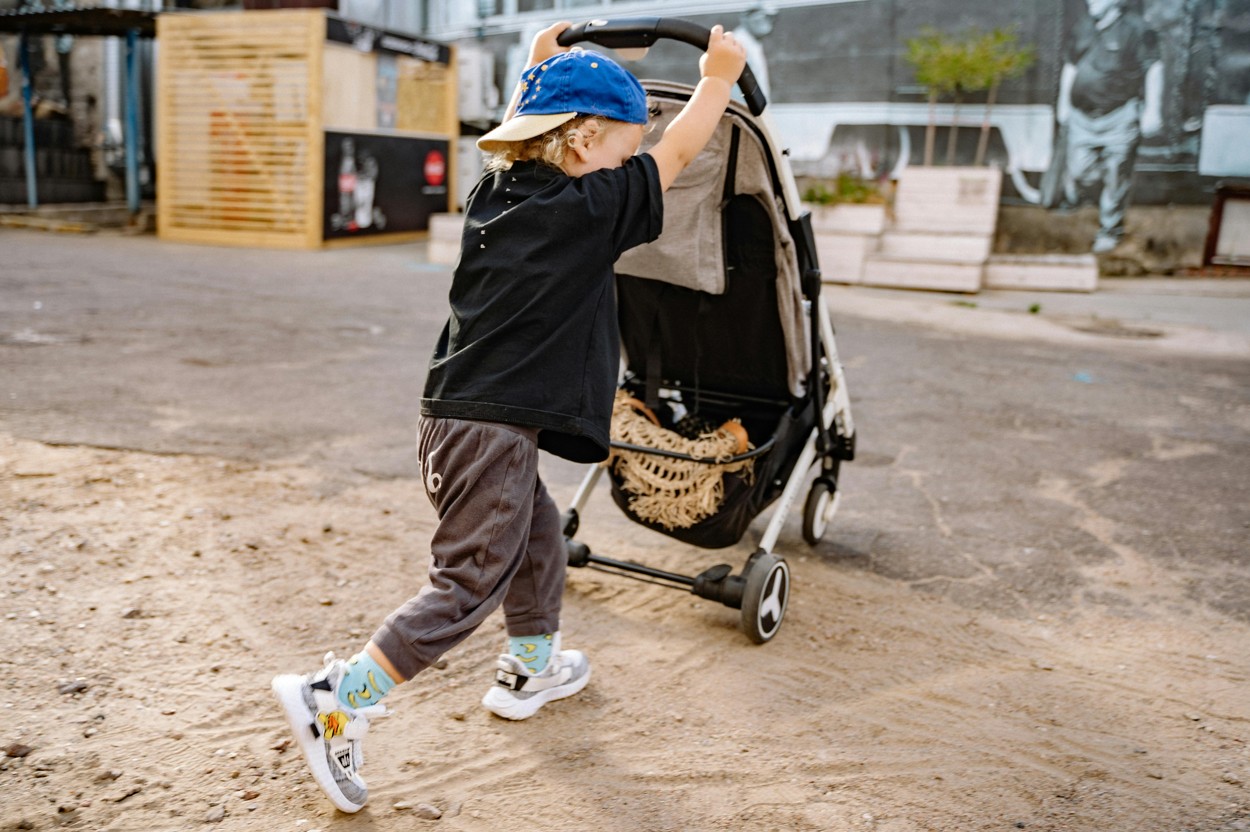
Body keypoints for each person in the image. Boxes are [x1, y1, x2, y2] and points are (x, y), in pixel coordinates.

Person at [271, 21, 747, 814]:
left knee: (535, 537)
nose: (632, 158)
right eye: (621, 145)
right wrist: (718, 80)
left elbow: (540, 124)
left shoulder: (494, 191)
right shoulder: (594, 207)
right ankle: (338, 696)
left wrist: (538, 63)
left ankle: (532, 663)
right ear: (587, 139)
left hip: (457, 417)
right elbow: (678, 154)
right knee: (465, 584)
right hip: (490, 430)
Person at [1055, 0, 1163, 253]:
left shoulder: (1138, 29)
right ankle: (1094, 197)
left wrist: (1152, 110)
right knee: (1080, 171)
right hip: (1082, 118)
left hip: (1120, 116)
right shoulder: (1083, 26)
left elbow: (1154, 67)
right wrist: (1063, 105)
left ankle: (1109, 231)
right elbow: (1070, 66)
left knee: (1117, 177)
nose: (1090, 1)